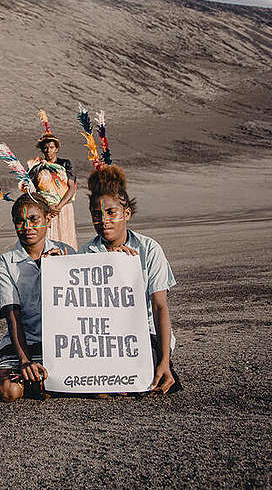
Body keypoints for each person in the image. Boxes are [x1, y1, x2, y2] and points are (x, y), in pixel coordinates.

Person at [78, 164, 181, 394]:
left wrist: (165, 361)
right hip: (103, 337)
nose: (103, 220)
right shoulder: (85, 254)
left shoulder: (149, 249)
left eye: (111, 213)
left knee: (144, 381)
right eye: (97, 214)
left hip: (143, 334)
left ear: (126, 214)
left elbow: (159, 306)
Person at [0, 193, 74, 402]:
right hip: (24, 343)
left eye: (34, 219)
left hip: (61, 343)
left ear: (48, 219)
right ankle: (1, 354)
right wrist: (25, 361)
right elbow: (12, 314)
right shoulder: (7, 262)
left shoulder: (67, 252)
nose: (27, 226)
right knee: (9, 391)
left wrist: (60, 268)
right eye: (20, 221)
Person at [26, 111, 78, 250]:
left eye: (51, 147)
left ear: (57, 148)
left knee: (66, 236)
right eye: (46, 148)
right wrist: (47, 207)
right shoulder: (37, 167)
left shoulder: (65, 164)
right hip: (46, 208)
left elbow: (71, 187)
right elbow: (32, 189)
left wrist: (59, 206)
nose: (48, 150)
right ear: (42, 150)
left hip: (64, 207)